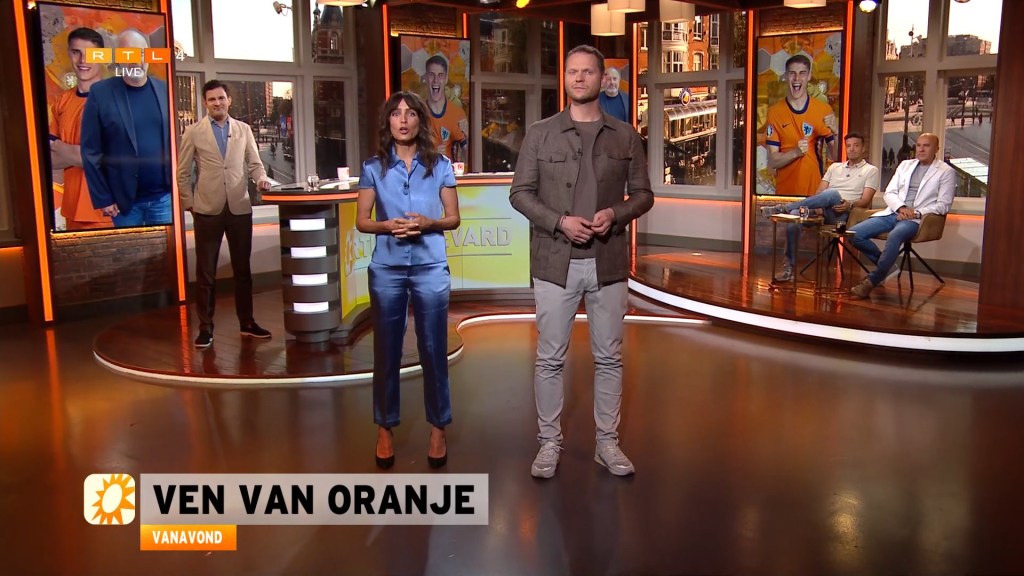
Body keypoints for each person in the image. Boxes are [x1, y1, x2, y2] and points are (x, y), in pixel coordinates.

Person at [510, 45, 654, 479]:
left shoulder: (625, 135)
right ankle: (548, 444)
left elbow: (644, 195)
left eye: (587, 72)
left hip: (607, 263)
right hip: (555, 262)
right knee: (550, 358)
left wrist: (616, 213)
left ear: (601, 78)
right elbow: (519, 194)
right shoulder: (540, 133)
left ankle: (607, 444)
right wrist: (560, 222)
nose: (578, 78)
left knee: (609, 358)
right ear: (565, 78)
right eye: (572, 71)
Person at [356, 91, 460, 470]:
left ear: (420, 120)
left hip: (430, 265)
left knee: (433, 348)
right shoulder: (373, 167)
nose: (403, 120)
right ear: (388, 121)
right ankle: (384, 427)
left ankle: (438, 427)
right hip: (387, 268)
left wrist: (430, 223)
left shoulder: (440, 165)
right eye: (396, 113)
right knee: (387, 350)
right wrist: (387, 226)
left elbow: (453, 218)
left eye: (410, 113)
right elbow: (362, 221)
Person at [177, 80, 273, 349]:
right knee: (206, 273)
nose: (217, 103)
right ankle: (205, 328)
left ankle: (247, 323)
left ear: (229, 100)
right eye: (212, 99)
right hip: (207, 210)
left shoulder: (243, 129)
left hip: (239, 207)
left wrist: (261, 179)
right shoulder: (193, 132)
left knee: (243, 270)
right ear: (205, 103)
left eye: (221, 98)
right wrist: (190, 204)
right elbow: (183, 173)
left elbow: (255, 164)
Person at [81, 29, 172, 227]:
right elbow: (90, 151)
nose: (135, 61)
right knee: (131, 249)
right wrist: (103, 197)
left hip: (164, 200)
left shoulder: (165, 89)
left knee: (167, 248)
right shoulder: (100, 93)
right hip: (124, 204)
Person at [761, 132, 880, 282]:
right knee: (795, 216)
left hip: (843, 215)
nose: (852, 149)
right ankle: (788, 268)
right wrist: (818, 206)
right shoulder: (835, 167)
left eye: (856, 145)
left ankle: (783, 208)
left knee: (832, 193)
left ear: (863, 148)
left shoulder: (870, 170)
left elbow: (865, 201)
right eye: (849, 146)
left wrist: (849, 204)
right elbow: (819, 193)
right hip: (823, 209)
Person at [849, 133, 955, 299]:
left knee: (895, 235)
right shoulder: (905, 165)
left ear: (936, 149)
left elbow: (944, 205)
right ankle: (887, 268)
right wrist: (901, 208)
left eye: (926, 146)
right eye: (918, 145)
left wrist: (915, 212)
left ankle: (872, 281)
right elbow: (889, 192)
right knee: (853, 234)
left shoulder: (945, 171)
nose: (921, 149)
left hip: (917, 218)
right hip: (895, 212)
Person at [48, 27, 112, 231]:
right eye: (76, 52)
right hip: (72, 209)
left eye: (90, 54)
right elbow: (49, 160)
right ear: (69, 53)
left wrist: (61, 147)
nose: (83, 60)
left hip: (108, 211)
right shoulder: (61, 101)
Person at [765, 54, 838, 197]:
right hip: (785, 196)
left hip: (814, 196)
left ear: (809, 76)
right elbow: (772, 161)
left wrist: (836, 133)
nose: (797, 78)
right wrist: (795, 153)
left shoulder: (823, 110)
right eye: (792, 73)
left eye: (802, 73)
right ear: (786, 76)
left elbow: (835, 156)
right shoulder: (774, 112)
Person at [421, 54, 468, 161]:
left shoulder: (457, 113)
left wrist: (468, 137)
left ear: (446, 79)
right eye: (432, 75)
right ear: (426, 78)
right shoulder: (418, 113)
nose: (436, 80)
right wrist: (432, 153)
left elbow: (467, 156)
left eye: (440, 75)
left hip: (449, 170)